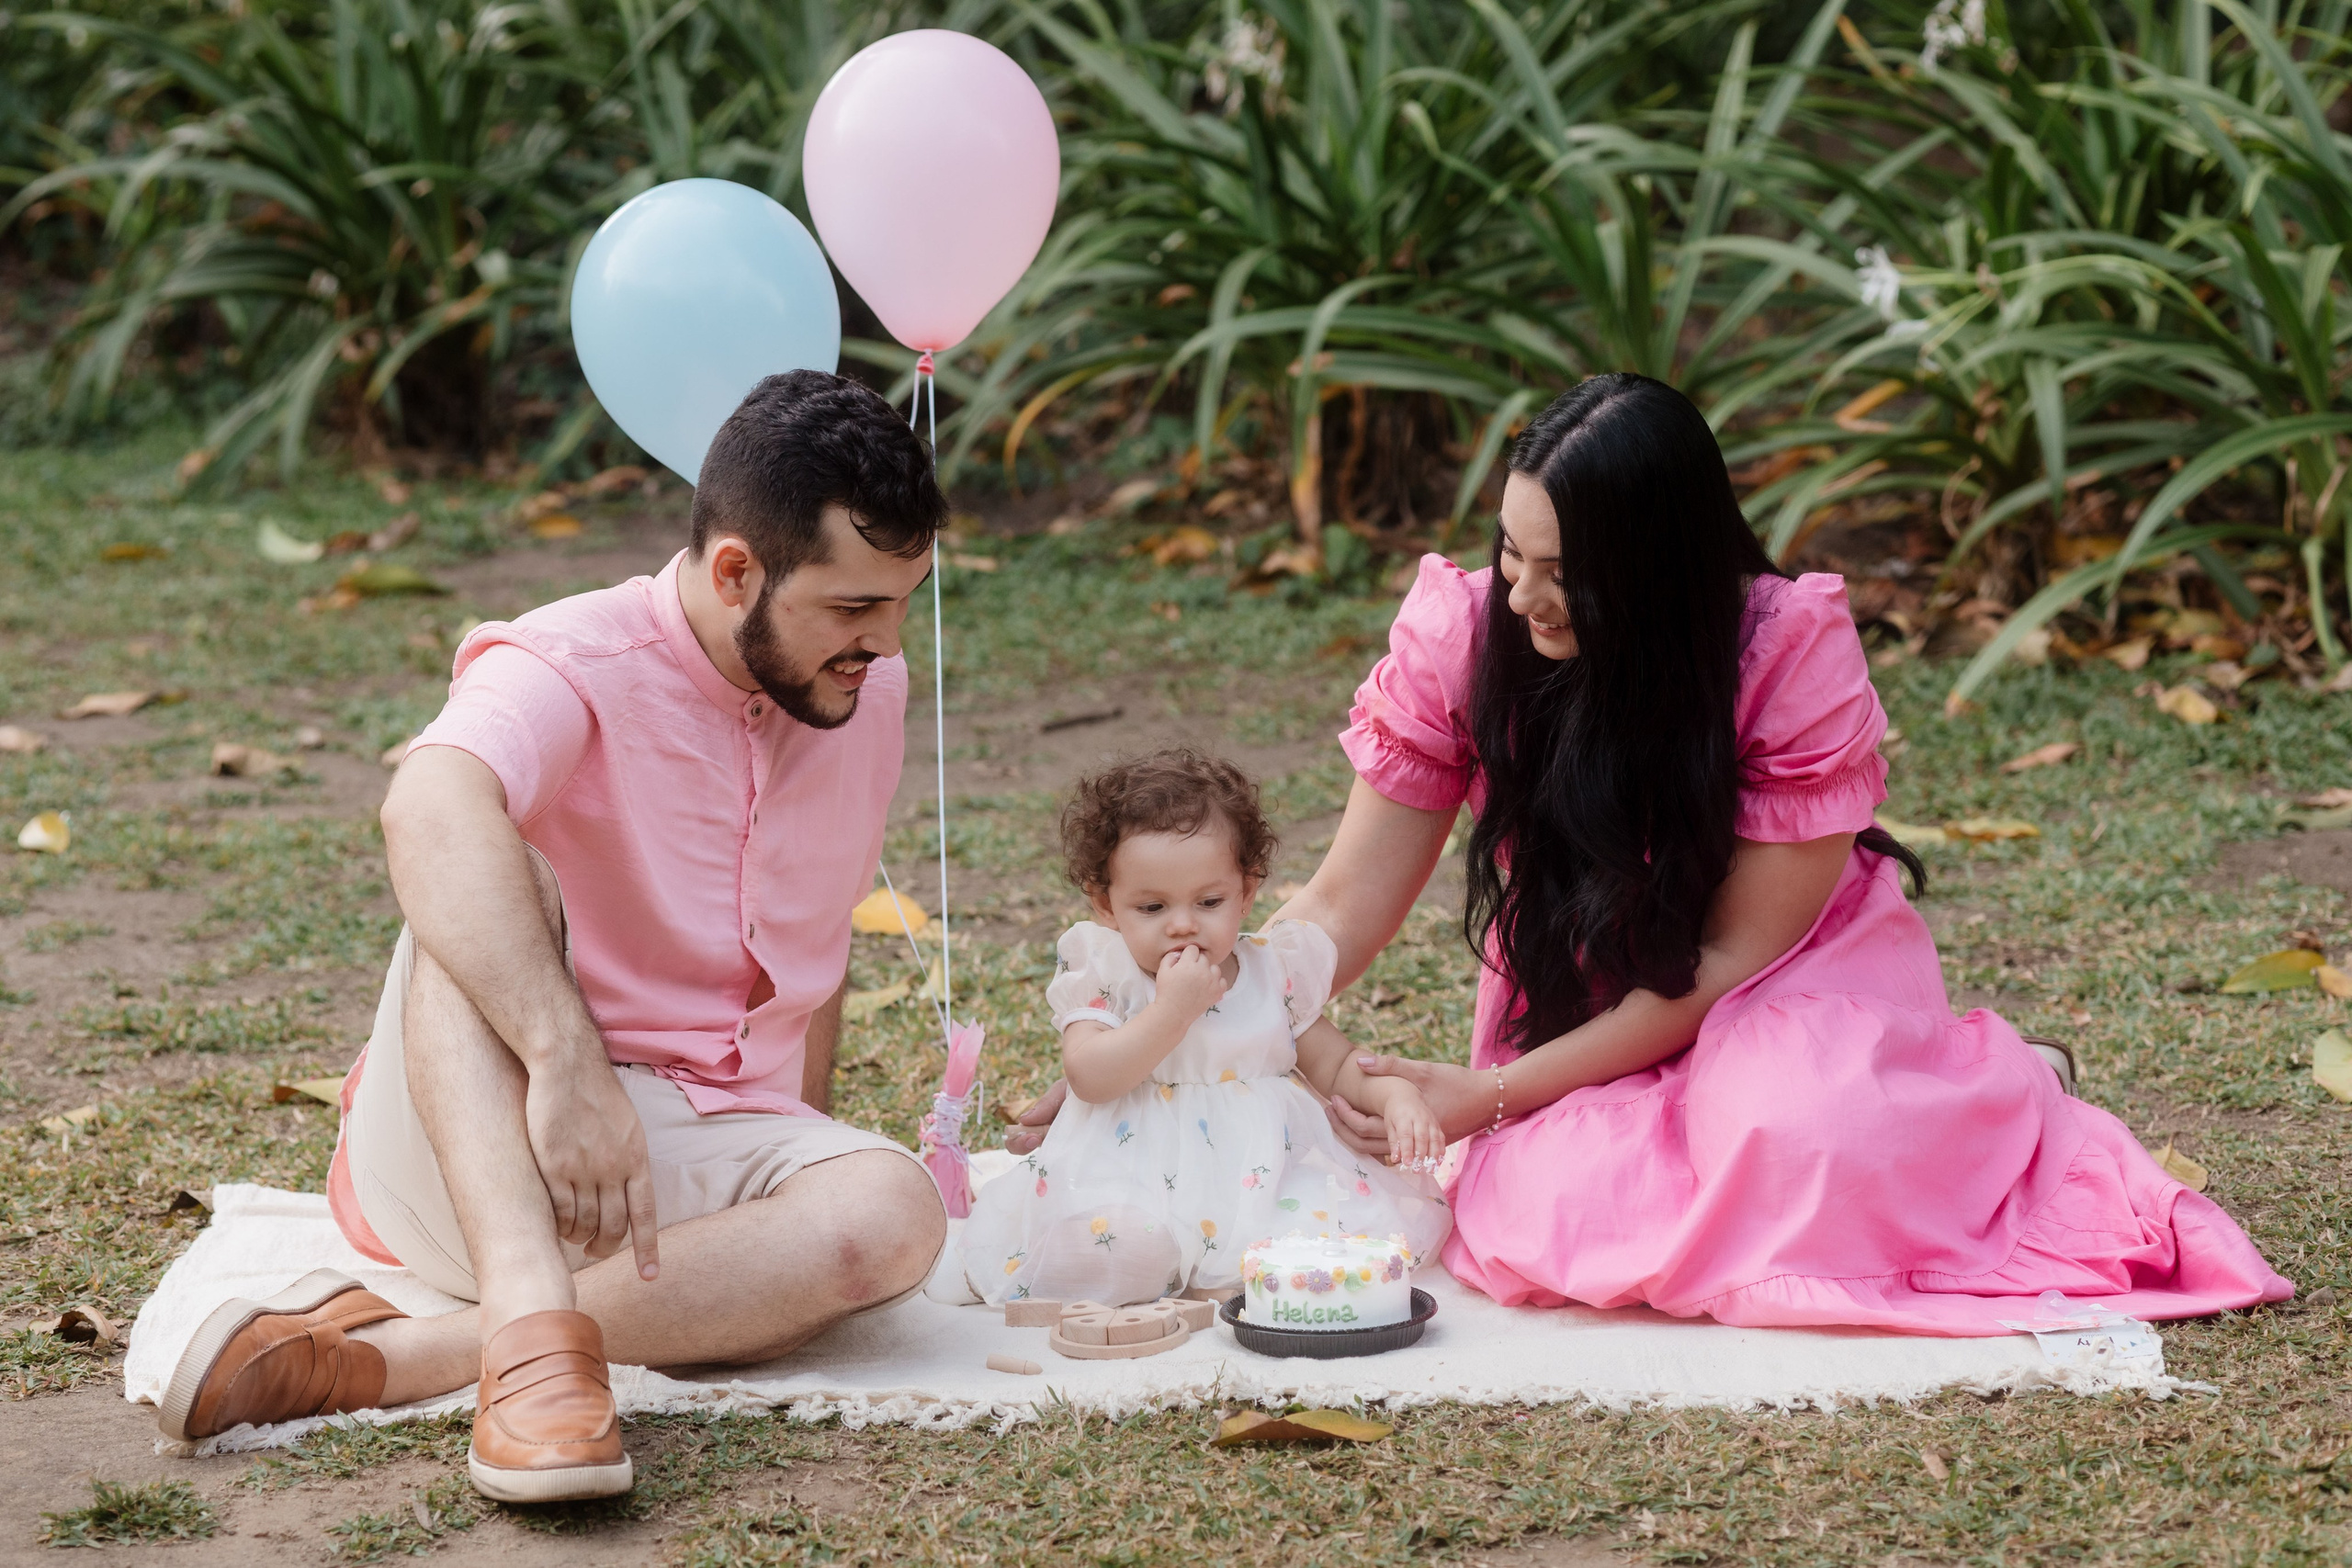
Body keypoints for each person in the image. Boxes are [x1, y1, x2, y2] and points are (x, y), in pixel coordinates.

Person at [1012, 372, 2290, 1335]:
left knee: (1796, 1134)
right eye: (1512, 551)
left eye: (1566, 573)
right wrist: (1168, 1038)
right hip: (1589, 983)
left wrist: (1493, 1092)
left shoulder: (1783, 653)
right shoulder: (1470, 634)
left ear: (1663, 571)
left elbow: (1733, 952)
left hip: (1779, 977)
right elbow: (1341, 896)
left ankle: (1991, 1098)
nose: (1522, 594)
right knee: (1535, 1211)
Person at [154, 371, 954, 1500]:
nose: (880, 642)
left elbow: (815, 941)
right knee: (480, 847)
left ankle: (410, 1356)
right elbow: (422, 807)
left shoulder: (864, 688)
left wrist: (791, 1179)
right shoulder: (567, 657)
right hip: (488, 1143)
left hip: (677, 1181)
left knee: (891, 1213)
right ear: (736, 571)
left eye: (899, 604)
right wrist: (567, 1063)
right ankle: (527, 1337)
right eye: (851, 608)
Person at [960, 749, 1450, 1307]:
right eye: (1151, 908)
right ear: (1105, 904)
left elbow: (1335, 1065)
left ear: (1247, 891)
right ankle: (1122, 1266)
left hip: (1260, 1180)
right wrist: (1170, 1013)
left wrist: (1395, 1094)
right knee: (1120, 1242)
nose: (1183, 924)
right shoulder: (1109, 974)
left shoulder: (1274, 971)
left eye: (1209, 901)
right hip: (1135, 1178)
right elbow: (1089, 1075)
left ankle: (1243, 1276)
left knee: (1317, 1236)